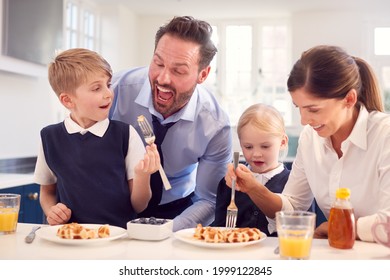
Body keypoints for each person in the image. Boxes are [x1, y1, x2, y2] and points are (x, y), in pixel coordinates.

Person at [226, 45, 390, 242]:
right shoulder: (310, 138)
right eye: (299, 108)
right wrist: (253, 187)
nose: (304, 120)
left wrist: (339, 227)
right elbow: (293, 208)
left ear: (349, 99)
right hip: (337, 254)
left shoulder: (384, 135)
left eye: (313, 109)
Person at [109, 16, 232, 231]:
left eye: (179, 71)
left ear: (202, 75)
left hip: (177, 211)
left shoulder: (216, 125)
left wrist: (168, 232)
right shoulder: (116, 90)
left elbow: (209, 199)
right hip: (113, 201)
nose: (163, 78)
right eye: (158, 63)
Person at [34, 48, 161, 229]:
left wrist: (143, 175)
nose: (108, 93)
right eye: (96, 88)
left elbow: (139, 205)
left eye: (108, 84)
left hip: (117, 238)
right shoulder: (49, 137)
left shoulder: (126, 135)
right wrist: (52, 211)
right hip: (71, 238)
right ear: (68, 101)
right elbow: (47, 192)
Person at [213, 103, 290, 236]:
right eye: (248, 147)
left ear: (282, 142)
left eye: (265, 146)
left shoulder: (294, 183)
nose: (256, 154)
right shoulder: (229, 183)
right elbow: (219, 229)